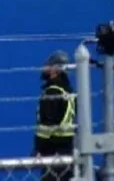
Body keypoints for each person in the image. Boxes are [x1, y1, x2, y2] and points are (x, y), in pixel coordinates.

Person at [34, 51, 76, 181]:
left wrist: (38, 148)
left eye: (49, 65)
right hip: (67, 150)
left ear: (55, 70)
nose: (44, 68)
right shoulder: (67, 91)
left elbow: (47, 124)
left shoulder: (53, 91)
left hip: (52, 151)